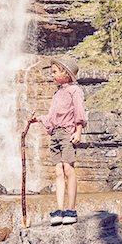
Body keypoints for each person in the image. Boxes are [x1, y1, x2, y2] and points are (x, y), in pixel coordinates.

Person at [29, 56, 87, 226]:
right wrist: (37, 119)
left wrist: (78, 132)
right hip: (55, 135)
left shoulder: (74, 91)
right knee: (58, 172)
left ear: (66, 73)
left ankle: (71, 209)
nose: (52, 75)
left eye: (54, 72)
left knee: (68, 169)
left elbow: (79, 111)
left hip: (67, 133)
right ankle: (60, 210)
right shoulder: (57, 94)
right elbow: (52, 117)